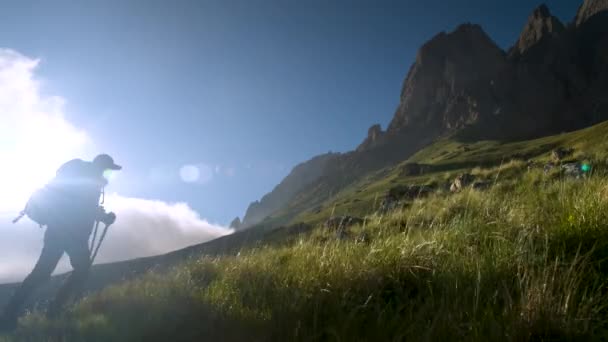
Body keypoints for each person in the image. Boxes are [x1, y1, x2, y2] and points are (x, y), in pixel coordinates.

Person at [0, 154, 121, 332]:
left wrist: (100, 215)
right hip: (73, 235)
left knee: (41, 274)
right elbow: (83, 207)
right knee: (80, 270)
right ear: (101, 166)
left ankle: (9, 315)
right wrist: (104, 217)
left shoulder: (82, 177)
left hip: (58, 232)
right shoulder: (90, 180)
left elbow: (80, 206)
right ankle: (54, 310)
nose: (108, 174)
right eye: (108, 169)